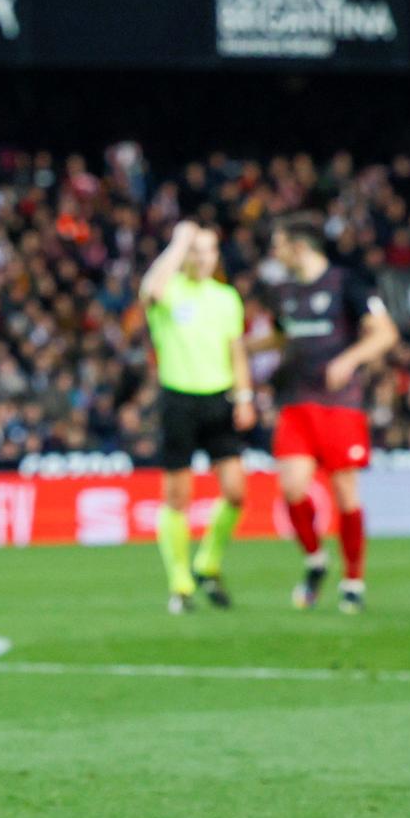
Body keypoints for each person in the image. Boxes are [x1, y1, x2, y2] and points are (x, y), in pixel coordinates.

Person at [265, 213, 399, 614]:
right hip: (296, 403)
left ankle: (353, 579)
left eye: (279, 244)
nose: (274, 252)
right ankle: (315, 560)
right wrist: (242, 349)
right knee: (291, 488)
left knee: (345, 495)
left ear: (299, 246)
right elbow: (279, 336)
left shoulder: (347, 284)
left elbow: (385, 333)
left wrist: (349, 359)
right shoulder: (283, 290)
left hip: (339, 405)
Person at [140, 222, 254, 613]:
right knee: (178, 497)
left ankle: (208, 562)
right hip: (179, 400)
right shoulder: (169, 290)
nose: (202, 258)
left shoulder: (226, 298)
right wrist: (178, 240)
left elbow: (236, 351)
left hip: (218, 400)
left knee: (236, 491)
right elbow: (152, 289)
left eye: (208, 251)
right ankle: (181, 583)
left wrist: (244, 396)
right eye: (195, 250)